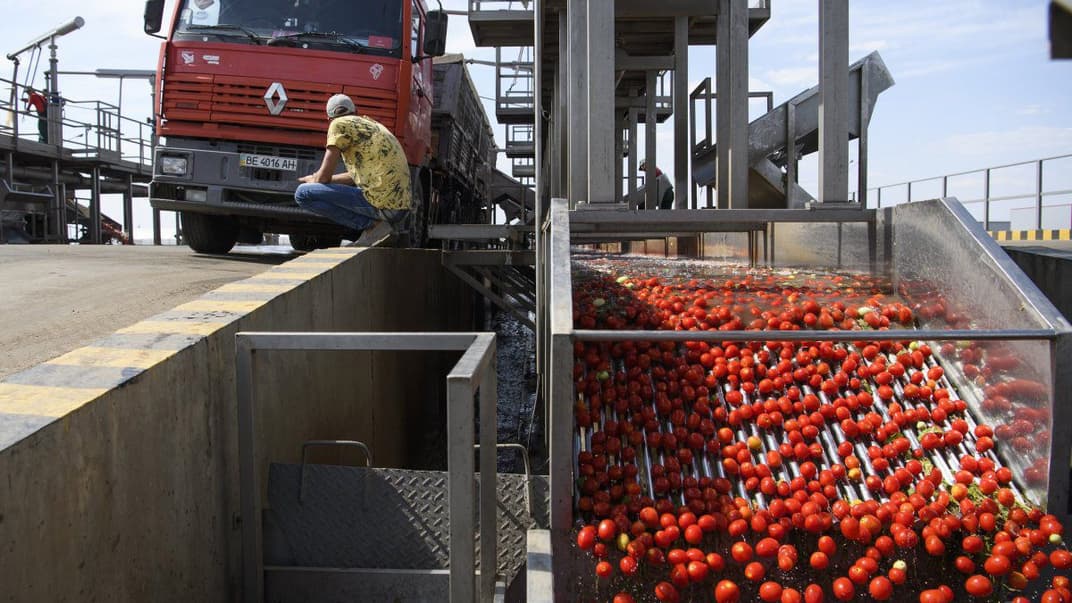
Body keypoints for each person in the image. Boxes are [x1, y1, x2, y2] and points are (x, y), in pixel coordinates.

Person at [295, 94, 412, 245]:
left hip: (382, 205)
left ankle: (372, 226)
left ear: (328, 118)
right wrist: (319, 179)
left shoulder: (338, 125)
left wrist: (314, 180)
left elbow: (323, 177)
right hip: (400, 208)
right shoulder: (371, 125)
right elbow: (353, 177)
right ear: (356, 111)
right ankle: (376, 227)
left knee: (302, 193)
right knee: (311, 188)